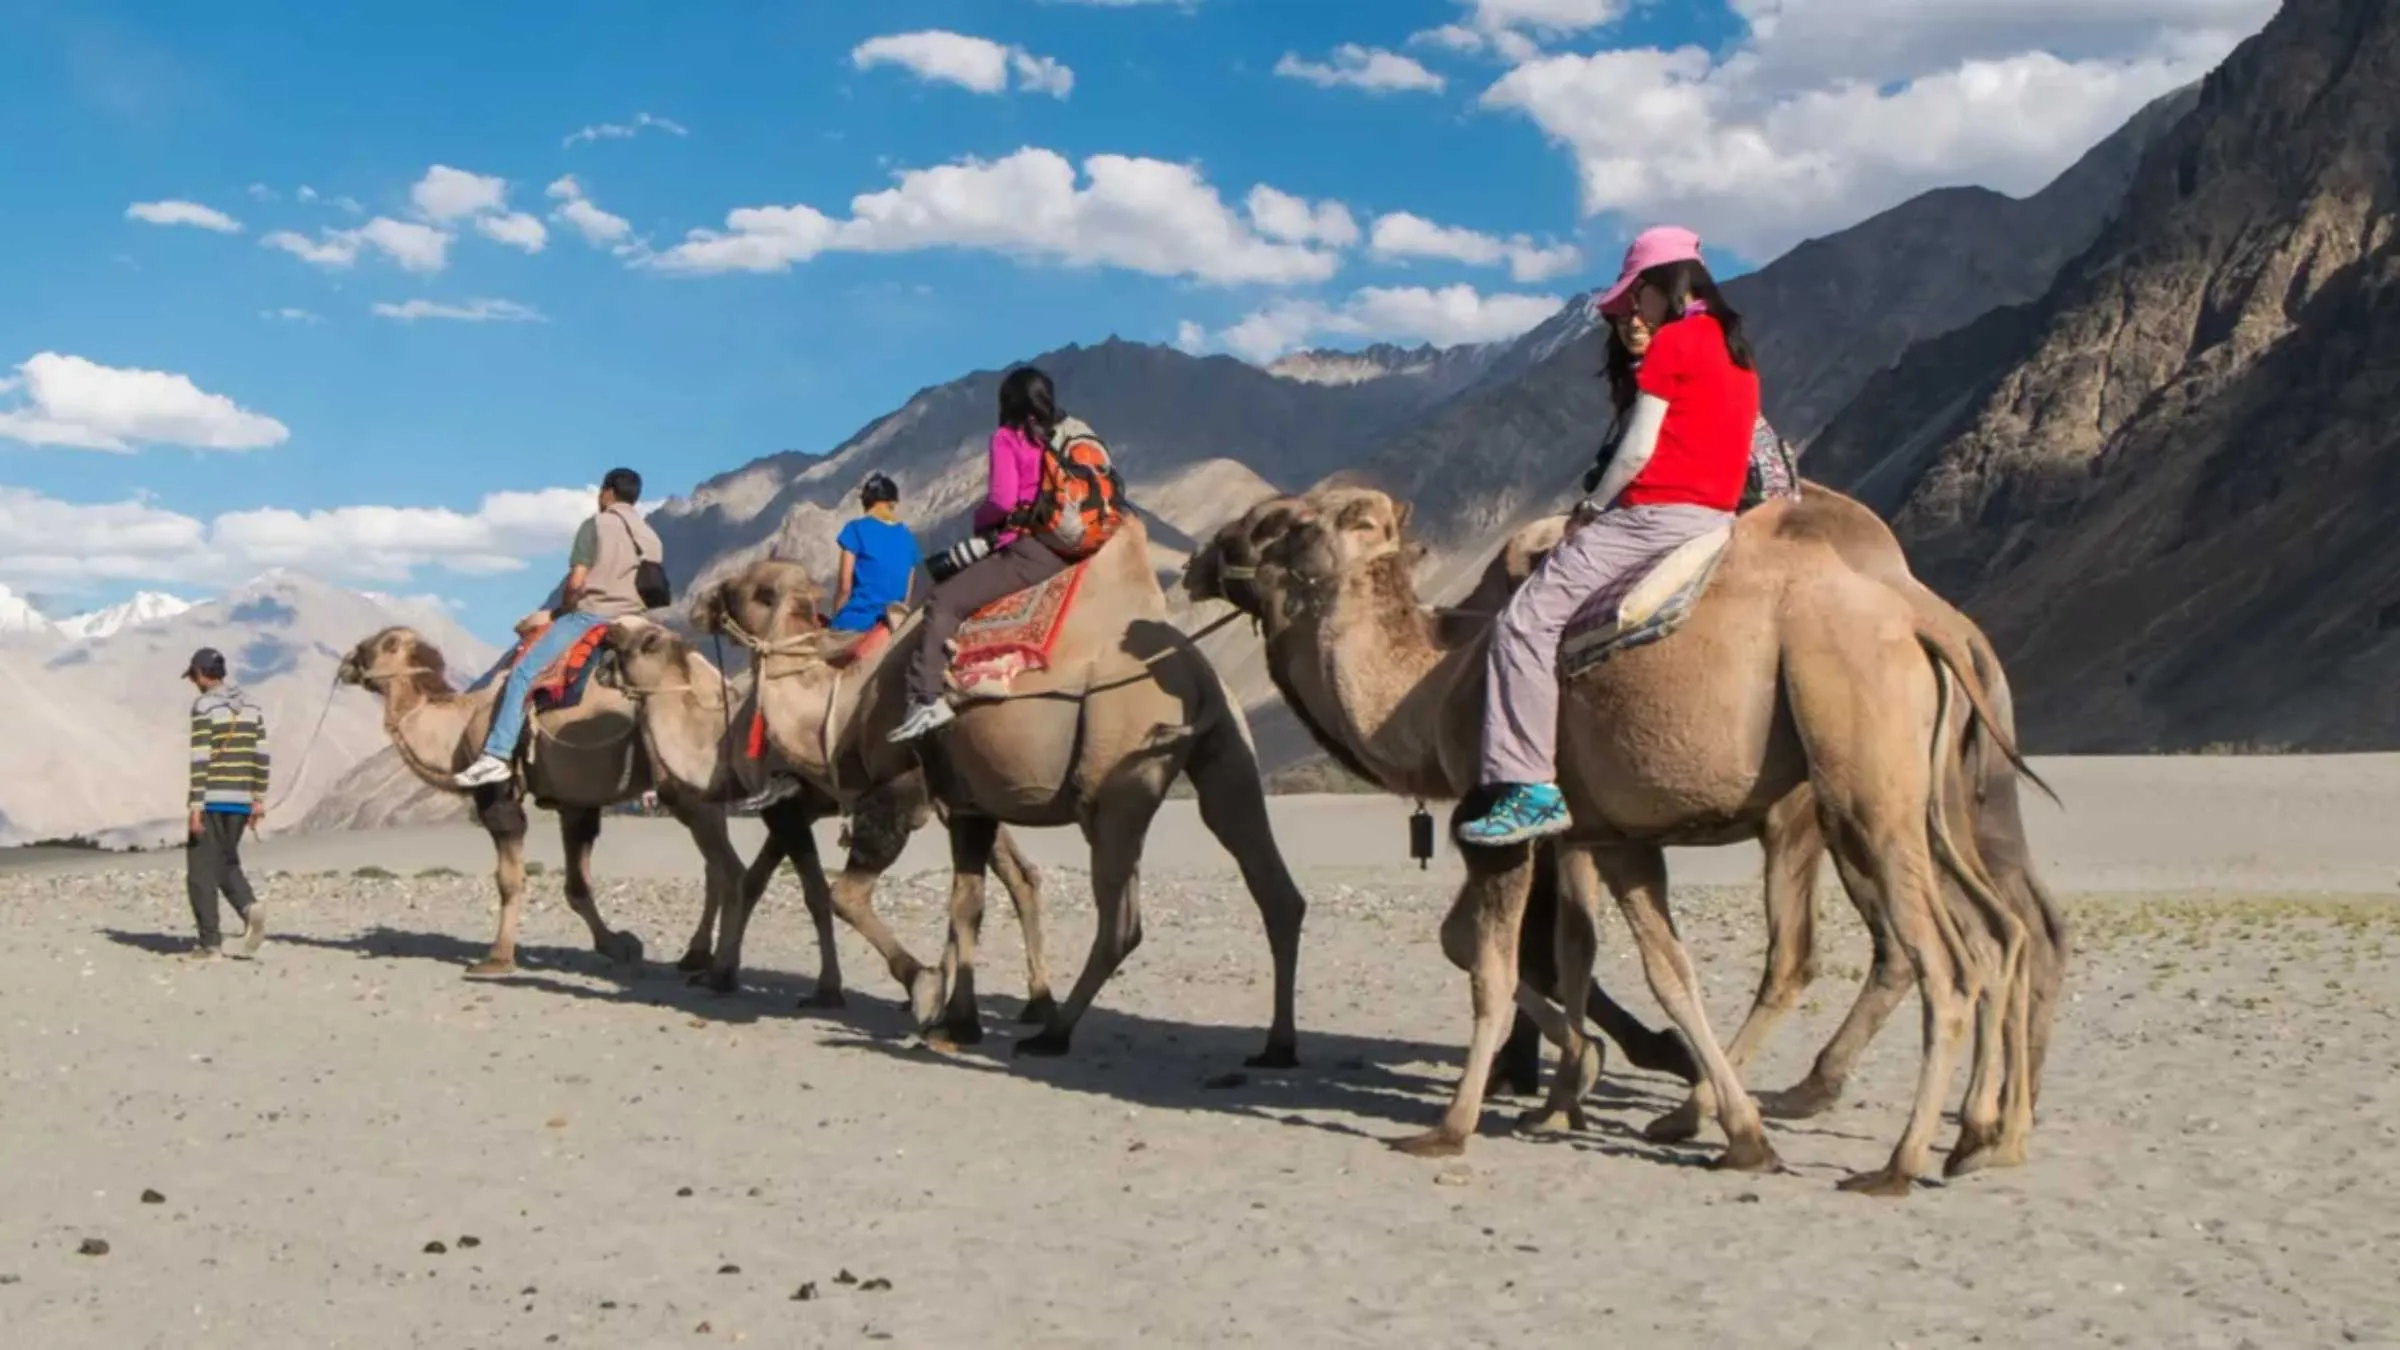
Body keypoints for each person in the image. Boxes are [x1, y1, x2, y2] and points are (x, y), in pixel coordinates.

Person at [1460, 226, 1761, 846]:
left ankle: (1528, 787)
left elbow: (1637, 450)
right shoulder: (1736, 352)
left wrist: (1591, 510)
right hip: (1715, 518)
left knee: (1524, 622)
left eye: (1637, 298)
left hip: (1652, 516)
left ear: (1661, 287)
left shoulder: (1674, 342)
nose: (1633, 312)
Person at [888, 366, 1070, 742]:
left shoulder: (1008, 438)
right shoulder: (1060, 435)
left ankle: (926, 698)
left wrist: (981, 519)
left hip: (1025, 548)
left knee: (943, 600)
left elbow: (1003, 500)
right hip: (1063, 546)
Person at [456, 467, 664, 787]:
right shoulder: (650, 536)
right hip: (637, 618)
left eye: (601, 491)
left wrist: (567, 606)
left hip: (593, 615)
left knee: (524, 672)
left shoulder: (595, 525)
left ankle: (497, 755)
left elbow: (577, 581)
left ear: (608, 492)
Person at [183, 646, 270, 959]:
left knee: (200, 872)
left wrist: (195, 806)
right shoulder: (251, 706)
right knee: (225, 861)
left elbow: (201, 757)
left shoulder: (204, 707)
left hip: (211, 799)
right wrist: (258, 798)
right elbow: (261, 754)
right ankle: (249, 907)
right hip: (241, 800)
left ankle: (210, 944)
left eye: (193, 675)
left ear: (201, 675)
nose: (193, 682)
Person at [829, 473, 918, 633]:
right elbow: (907, 593)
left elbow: (845, 586)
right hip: (891, 623)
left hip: (857, 620)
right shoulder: (907, 535)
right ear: (893, 503)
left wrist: (835, 617)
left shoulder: (855, 529)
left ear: (866, 502)